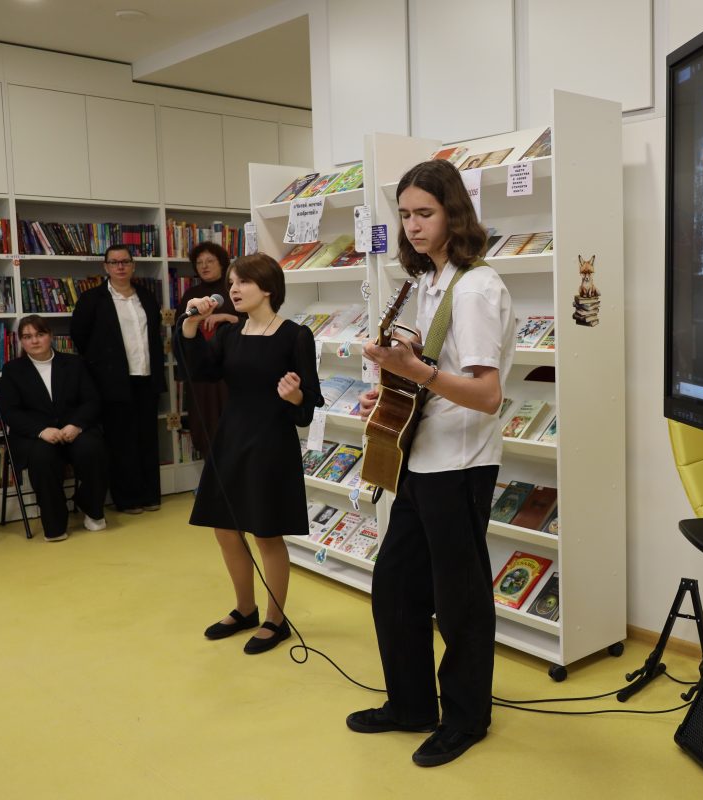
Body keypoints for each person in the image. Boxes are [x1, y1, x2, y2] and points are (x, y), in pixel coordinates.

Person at [346, 159, 515, 768]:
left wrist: (413, 372)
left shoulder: (475, 287)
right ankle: (411, 704)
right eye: (406, 215)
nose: (413, 227)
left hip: (461, 464)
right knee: (395, 587)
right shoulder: (431, 282)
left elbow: (487, 395)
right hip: (422, 457)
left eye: (426, 213)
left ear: (453, 215)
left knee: (461, 601)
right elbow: (434, 375)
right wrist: (391, 388)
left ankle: (466, 718)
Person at [178, 253, 322, 655]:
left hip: (270, 442)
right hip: (231, 438)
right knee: (224, 528)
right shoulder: (230, 334)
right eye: (232, 283)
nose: (233, 290)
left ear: (268, 289)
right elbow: (201, 372)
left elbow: (308, 404)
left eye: (242, 282)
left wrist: (295, 396)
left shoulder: (295, 336)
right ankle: (245, 609)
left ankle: (277, 620)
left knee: (266, 532)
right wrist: (191, 323)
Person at [71, 244, 166, 514]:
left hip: (146, 377)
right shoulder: (92, 299)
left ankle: (150, 495)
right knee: (121, 442)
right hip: (112, 383)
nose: (120, 266)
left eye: (125, 261)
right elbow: (80, 336)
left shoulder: (146, 296)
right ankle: (128, 499)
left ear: (133, 266)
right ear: (106, 267)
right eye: (114, 262)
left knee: (148, 439)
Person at [0, 315, 108, 542]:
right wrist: (41, 431)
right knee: (42, 457)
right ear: (21, 341)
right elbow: (10, 412)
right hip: (35, 437)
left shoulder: (75, 363)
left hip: (74, 430)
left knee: (92, 448)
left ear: (50, 336)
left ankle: (91, 507)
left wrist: (76, 425)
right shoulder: (12, 370)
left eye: (40, 334)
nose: (35, 341)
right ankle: (55, 524)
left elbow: (92, 400)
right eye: (27, 337)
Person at [177, 242, 242, 457]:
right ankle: (212, 481)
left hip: (231, 370)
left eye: (210, 261)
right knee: (206, 426)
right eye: (199, 263)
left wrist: (226, 317)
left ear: (222, 263)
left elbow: (253, 323)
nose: (204, 266)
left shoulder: (233, 291)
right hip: (202, 372)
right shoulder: (191, 295)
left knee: (234, 426)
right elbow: (180, 332)